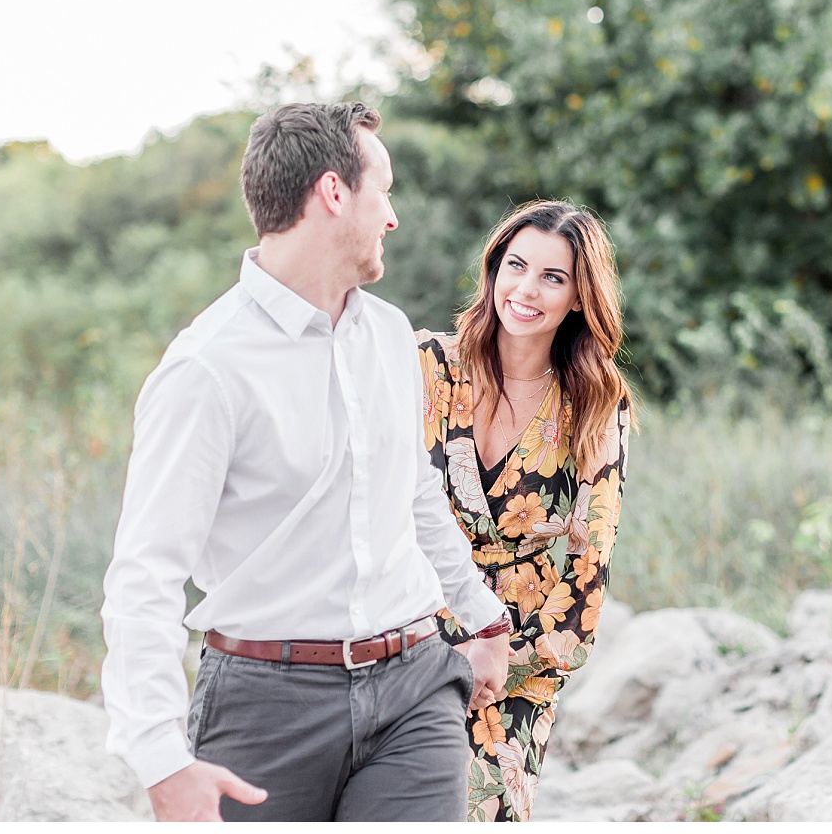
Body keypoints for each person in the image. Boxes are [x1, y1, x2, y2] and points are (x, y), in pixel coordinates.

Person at [100, 101, 513, 822]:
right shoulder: (206, 368)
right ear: (332, 193)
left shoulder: (387, 335)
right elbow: (145, 573)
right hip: (264, 706)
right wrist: (161, 759)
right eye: (381, 191)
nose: (391, 217)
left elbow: (412, 494)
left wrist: (481, 620)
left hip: (415, 686)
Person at [415, 200, 633, 822]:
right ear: (492, 271)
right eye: (516, 266)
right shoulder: (426, 364)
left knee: (484, 811)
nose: (526, 290)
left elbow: (591, 557)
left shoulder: (593, 401)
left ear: (580, 298)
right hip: (406, 632)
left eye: (553, 278)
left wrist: (507, 661)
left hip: (517, 654)